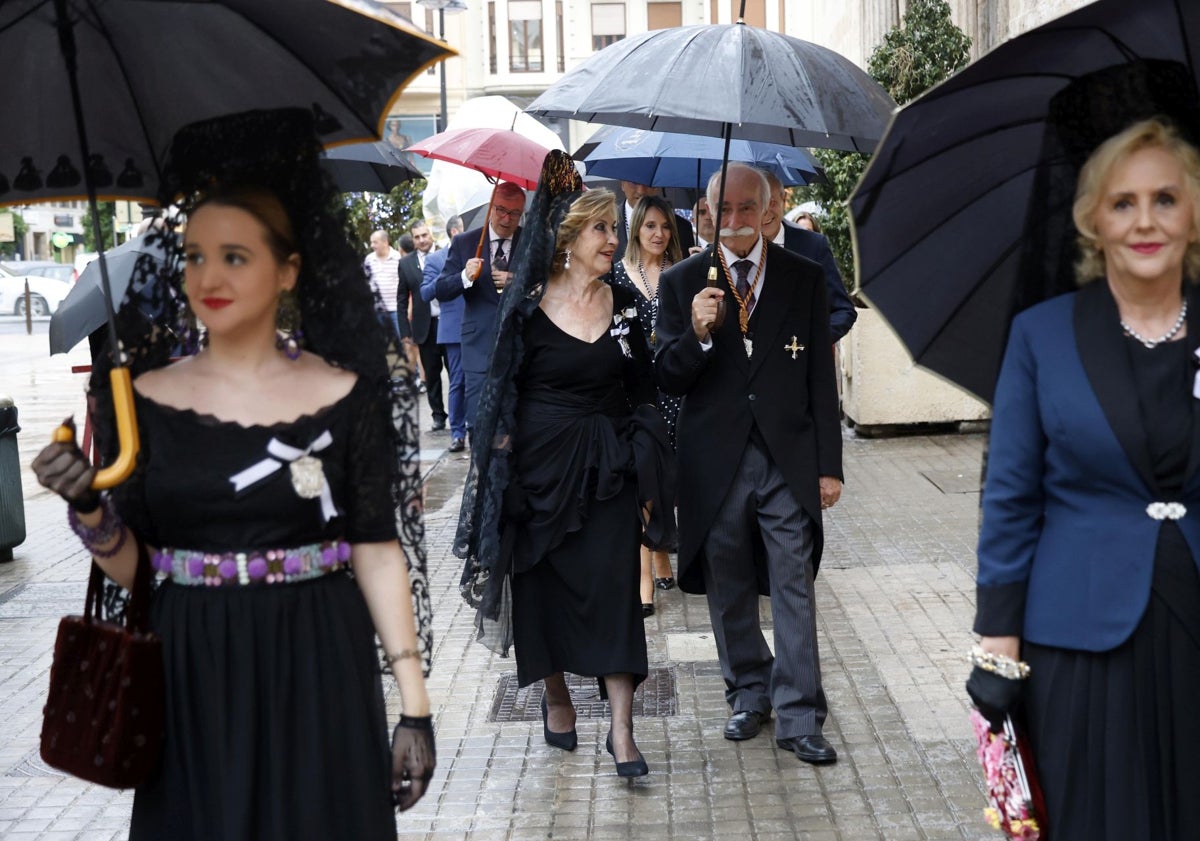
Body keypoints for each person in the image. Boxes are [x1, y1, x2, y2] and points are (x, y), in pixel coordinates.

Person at [31, 109, 435, 840]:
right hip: (192, 668)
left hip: (319, 659)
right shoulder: (143, 398)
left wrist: (414, 703)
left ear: (288, 269)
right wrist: (90, 507)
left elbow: (376, 547)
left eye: (235, 257)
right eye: (194, 257)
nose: (208, 277)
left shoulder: (347, 393)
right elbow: (140, 572)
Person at [974, 117, 1200, 840]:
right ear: (1092, 219)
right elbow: (1009, 499)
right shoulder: (1041, 334)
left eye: (1165, 199)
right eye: (1122, 202)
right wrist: (996, 646)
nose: (1145, 221)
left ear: (1193, 214)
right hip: (1079, 639)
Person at [455, 152, 674, 779]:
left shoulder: (627, 306)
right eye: (602, 228)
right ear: (569, 237)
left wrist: (640, 452)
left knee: (614, 594)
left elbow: (645, 389)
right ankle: (556, 699)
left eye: (614, 228)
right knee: (542, 594)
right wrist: (500, 468)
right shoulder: (524, 307)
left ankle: (624, 733)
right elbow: (500, 395)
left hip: (606, 471)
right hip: (538, 474)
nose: (614, 238)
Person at [655, 162, 843, 765]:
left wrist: (830, 465)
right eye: (722, 210)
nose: (734, 221)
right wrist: (698, 334)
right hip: (715, 460)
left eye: (745, 208)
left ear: (768, 211)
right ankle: (748, 691)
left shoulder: (803, 277)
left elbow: (820, 376)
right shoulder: (682, 282)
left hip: (787, 457)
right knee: (728, 582)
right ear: (706, 215)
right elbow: (667, 375)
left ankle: (798, 713)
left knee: (794, 581)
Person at [609, 194, 682, 616]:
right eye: (651, 225)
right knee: (643, 481)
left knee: (669, 479)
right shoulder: (617, 276)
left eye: (665, 226)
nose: (658, 234)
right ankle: (644, 580)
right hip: (636, 393)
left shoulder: (682, 273)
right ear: (636, 228)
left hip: (676, 389)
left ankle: (660, 554)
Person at [432, 182, 526, 434]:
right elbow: (440, 289)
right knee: (480, 420)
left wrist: (517, 282)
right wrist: (464, 276)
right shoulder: (465, 242)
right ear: (490, 207)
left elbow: (548, 286)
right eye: (501, 210)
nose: (507, 219)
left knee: (518, 420)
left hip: (522, 343)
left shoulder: (530, 242)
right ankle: (480, 472)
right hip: (478, 345)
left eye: (515, 213)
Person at [761, 171, 857, 342]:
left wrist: (813, 343)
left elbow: (843, 310)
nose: (765, 211)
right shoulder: (737, 248)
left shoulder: (813, 245)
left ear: (784, 201)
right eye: (758, 204)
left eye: (772, 202)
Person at [422, 215, 467, 452]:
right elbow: (425, 293)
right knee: (458, 381)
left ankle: (478, 428)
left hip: (480, 325)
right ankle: (457, 433)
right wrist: (447, 276)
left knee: (480, 379)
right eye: (464, 229)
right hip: (453, 329)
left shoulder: (477, 253)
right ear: (454, 232)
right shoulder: (436, 259)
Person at [398, 220, 447, 431]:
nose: (421, 240)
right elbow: (401, 299)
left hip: (449, 322)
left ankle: (460, 415)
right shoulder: (406, 263)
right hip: (424, 327)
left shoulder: (447, 254)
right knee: (432, 375)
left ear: (431, 235)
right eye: (417, 237)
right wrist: (404, 330)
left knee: (456, 374)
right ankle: (438, 415)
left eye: (424, 235)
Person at [615, 179, 695, 262]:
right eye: (634, 182)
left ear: (657, 187)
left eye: (647, 183)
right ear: (622, 184)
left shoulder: (682, 227)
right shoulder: (608, 222)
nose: (641, 190)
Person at [364, 229, 402, 336]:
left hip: (397, 309)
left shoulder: (398, 258)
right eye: (371, 242)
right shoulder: (369, 259)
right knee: (379, 343)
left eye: (375, 242)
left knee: (404, 342)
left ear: (385, 242)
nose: (372, 245)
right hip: (377, 310)